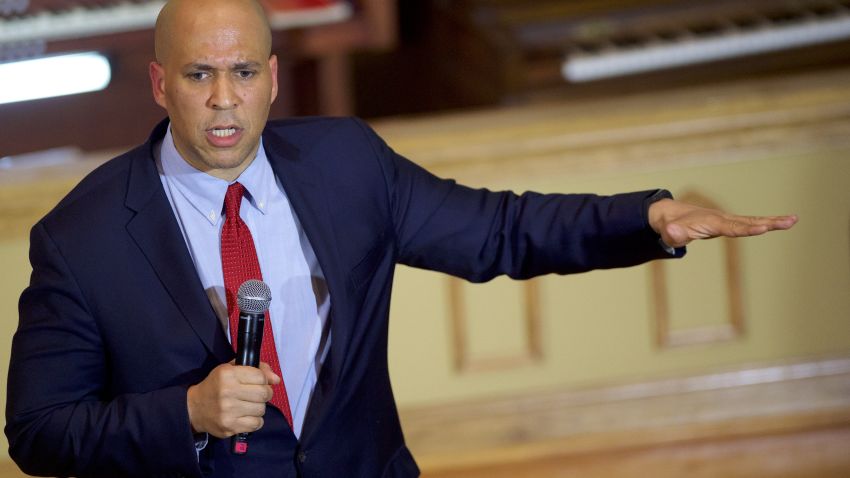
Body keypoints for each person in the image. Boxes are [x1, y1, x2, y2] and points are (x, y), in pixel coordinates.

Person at [4, 0, 797, 476]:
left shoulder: (347, 163)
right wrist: (185, 413)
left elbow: (499, 230)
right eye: (197, 75)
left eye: (243, 73)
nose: (222, 101)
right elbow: (40, 433)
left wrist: (644, 218)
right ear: (159, 82)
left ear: (273, 79)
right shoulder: (83, 237)